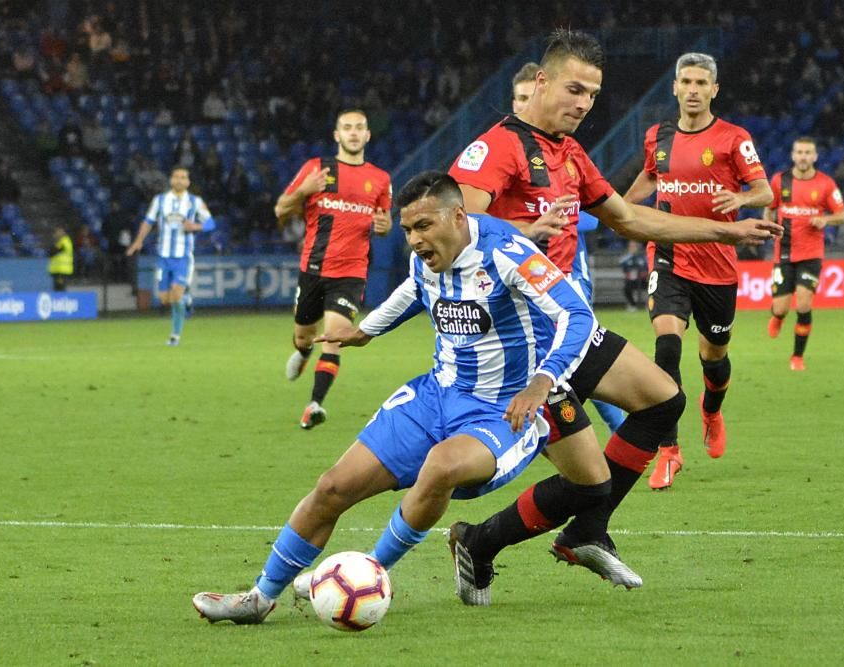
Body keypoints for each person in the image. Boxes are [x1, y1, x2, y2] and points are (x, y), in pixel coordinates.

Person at [192, 172, 612, 622]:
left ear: (457, 215)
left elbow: (576, 315)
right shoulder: (426, 259)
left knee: (442, 467)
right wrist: (367, 330)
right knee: (334, 486)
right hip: (436, 394)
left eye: (424, 226)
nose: (414, 239)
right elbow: (415, 290)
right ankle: (259, 597)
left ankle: (367, 575)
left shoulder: (507, 254)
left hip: (501, 410)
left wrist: (541, 383)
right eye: (408, 229)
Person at [447, 30, 780, 595]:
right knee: (591, 481)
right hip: (517, 342)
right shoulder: (497, 147)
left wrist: (730, 229)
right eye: (575, 89)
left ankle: (583, 532)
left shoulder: (570, 154)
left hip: (567, 327)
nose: (584, 103)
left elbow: (633, 219)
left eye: (594, 95)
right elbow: (456, 227)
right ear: (542, 82)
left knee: (663, 399)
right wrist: (527, 231)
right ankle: (481, 542)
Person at [622, 51, 774, 489]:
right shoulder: (658, 136)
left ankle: (711, 410)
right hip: (669, 254)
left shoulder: (733, 139)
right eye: (685, 82)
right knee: (667, 347)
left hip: (718, 265)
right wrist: (619, 208)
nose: (692, 90)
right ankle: (668, 450)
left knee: (714, 356)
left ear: (714, 90)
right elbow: (651, 178)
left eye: (700, 83)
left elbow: (762, 189)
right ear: (674, 87)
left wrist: (741, 200)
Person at [512, 59, 625, 434]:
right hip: (516, 282)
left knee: (572, 363)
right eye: (519, 97)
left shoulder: (566, 154)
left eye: (530, 95)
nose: (525, 103)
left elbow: (597, 214)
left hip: (568, 274)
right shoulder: (504, 150)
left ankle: (610, 437)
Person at [276, 109, 392, 430]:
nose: (353, 133)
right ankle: (302, 353)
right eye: (347, 128)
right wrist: (303, 191)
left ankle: (314, 405)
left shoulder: (380, 179)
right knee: (304, 337)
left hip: (351, 272)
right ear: (336, 135)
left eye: (359, 128)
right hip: (313, 268)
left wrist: (384, 225)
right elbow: (280, 209)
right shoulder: (316, 169)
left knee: (335, 337)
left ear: (368, 135)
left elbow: (385, 223)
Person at [764, 137, 844, 371]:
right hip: (784, 252)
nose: (803, 156)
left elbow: (841, 215)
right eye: (799, 152)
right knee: (780, 307)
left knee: (803, 304)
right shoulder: (780, 181)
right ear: (793, 155)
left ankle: (797, 357)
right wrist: (766, 229)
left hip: (811, 253)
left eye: (808, 152)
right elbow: (769, 210)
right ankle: (778, 317)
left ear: (815, 156)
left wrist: (825, 219)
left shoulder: (826, 184)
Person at [126, 167, 214, 345]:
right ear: (171, 180)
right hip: (163, 257)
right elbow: (148, 221)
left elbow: (211, 223)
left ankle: (175, 335)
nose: (180, 180)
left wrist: (196, 227)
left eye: (183, 177)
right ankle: (186, 298)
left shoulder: (195, 202)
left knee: (176, 295)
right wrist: (138, 241)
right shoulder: (159, 200)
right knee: (164, 299)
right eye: (176, 177)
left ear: (188, 182)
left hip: (183, 257)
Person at [619, 240, 646, 311]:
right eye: (631, 246)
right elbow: (622, 265)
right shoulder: (626, 258)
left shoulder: (642, 257)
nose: (633, 248)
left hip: (642, 280)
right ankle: (632, 305)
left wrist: (643, 274)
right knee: (626, 288)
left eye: (634, 246)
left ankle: (648, 305)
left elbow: (647, 268)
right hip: (631, 280)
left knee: (651, 286)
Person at [48, 226, 73, 291]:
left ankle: (63, 300)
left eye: (57, 232)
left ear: (63, 232)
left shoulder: (65, 241)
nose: (55, 234)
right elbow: (51, 252)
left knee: (60, 288)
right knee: (57, 288)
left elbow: (54, 251)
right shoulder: (59, 242)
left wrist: (53, 249)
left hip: (62, 270)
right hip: (57, 270)